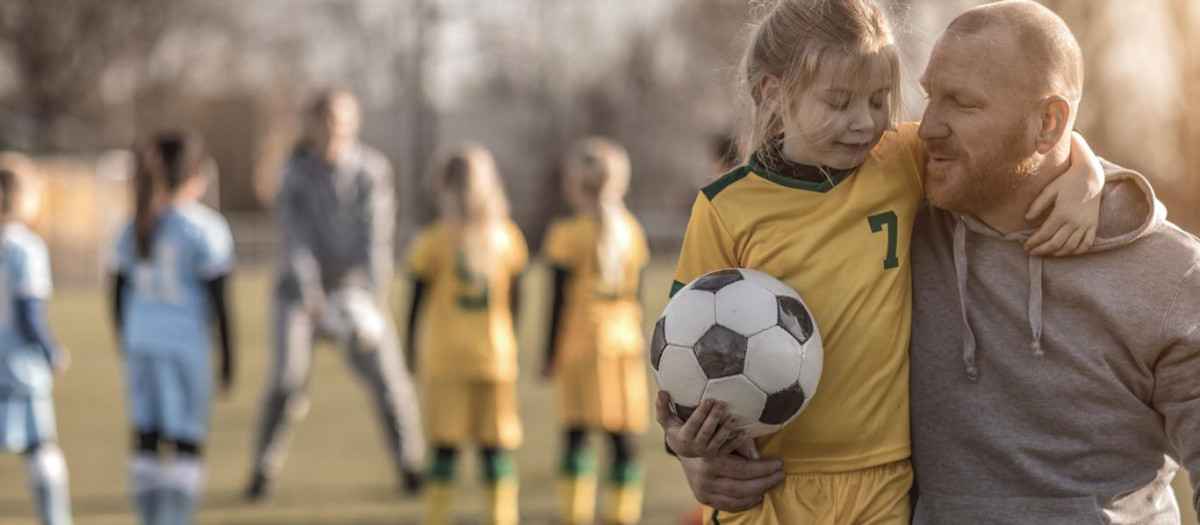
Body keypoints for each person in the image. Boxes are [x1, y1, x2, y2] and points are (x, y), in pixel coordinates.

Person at [654, 0, 1105, 523]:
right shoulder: (725, 208)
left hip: (884, 481)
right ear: (774, 92)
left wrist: (1086, 172)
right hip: (767, 484)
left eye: (877, 100)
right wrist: (684, 444)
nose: (864, 122)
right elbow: (684, 352)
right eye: (839, 102)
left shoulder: (899, 159)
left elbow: (1019, 145)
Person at [908, 2, 1200, 522]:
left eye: (962, 103)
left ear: (1049, 123)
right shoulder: (899, 224)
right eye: (930, 95)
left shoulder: (1173, 277)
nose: (927, 127)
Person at [246, 89, 423, 500]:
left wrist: (370, 295)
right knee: (286, 383)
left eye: (342, 119)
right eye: (326, 119)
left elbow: (376, 237)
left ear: (354, 122)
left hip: (355, 294)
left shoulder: (372, 171)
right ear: (312, 124)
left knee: (391, 382)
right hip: (298, 296)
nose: (334, 128)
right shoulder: (294, 175)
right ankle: (262, 470)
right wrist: (311, 296)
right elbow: (295, 240)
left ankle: (412, 466)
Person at [110, 131, 234, 525]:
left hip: (140, 342)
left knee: (146, 437)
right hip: (184, 345)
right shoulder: (206, 228)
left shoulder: (132, 225)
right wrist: (227, 360)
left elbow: (115, 291)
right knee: (186, 440)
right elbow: (220, 302)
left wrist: (125, 339)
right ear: (196, 173)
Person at [405, 143, 527, 525]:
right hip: (494, 356)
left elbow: (415, 302)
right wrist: (510, 341)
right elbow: (517, 303)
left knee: (444, 448)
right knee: (495, 449)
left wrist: (409, 348)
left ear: (442, 186)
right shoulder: (507, 238)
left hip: (446, 358)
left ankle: (437, 519)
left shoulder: (433, 241)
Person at [541, 138, 650, 525]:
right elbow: (638, 296)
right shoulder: (631, 231)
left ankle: (576, 515)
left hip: (582, 342)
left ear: (575, 183)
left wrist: (548, 354)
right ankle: (623, 515)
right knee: (622, 436)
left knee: (577, 433)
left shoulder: (567, 234)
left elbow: (557, 301)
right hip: (625, 343)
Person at [0, 160, 72, 525]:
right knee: (41, 449)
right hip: (20, 368)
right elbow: (29, 312)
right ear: (17, 199)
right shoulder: (26, 248)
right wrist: (52, 351)